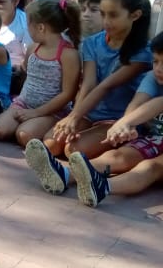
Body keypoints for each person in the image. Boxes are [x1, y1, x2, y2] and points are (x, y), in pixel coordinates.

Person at [25, 0, 152, 194]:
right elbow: (90, 83)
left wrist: (75, 116)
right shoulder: (93, 42)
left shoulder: (143, 52)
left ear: (135, 15)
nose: (106, 21)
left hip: (116, 119)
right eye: (103, 14)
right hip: (89, 111)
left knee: (72, 148)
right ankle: (51, 166)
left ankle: (70, 170)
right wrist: (75, 116)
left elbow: (106, 85)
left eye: (113, 15)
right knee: (53, 141)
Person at [67, 33, 163, 207]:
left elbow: (159, 103)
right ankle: (65, 174)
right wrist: (127, 124)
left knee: (151, 167)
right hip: (156, 139)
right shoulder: (153, 79)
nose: (159, 69)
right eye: (156, 61)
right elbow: (137, 103)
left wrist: (124, 123)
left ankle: (104, 186)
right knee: (119, 155)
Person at [0, 0, 81, 146]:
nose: (27, 28)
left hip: (51, 111)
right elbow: (26, 74)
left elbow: (68, 94)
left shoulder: (68, 54)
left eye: (28, 24)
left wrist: (37, 113)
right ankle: (27, 126)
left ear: (40, 27)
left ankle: (39, 127)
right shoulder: (33, 48)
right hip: (24, 104)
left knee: (24, 135)